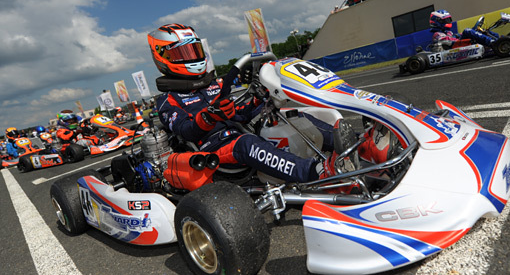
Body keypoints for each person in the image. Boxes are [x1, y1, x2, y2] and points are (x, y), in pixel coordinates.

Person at [150, 23, 362, 184]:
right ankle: (318, 172)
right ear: (162, 58)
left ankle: (360, 145)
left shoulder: (215, 85)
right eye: (182, 53)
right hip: (213, 149)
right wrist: (209, 115)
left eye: (193, 51)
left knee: (290, 117)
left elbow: (240, 113)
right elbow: (186, 131)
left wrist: (258, 97)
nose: (191, 58)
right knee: (248, 144)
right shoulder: (167, 101)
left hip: (242, 131)